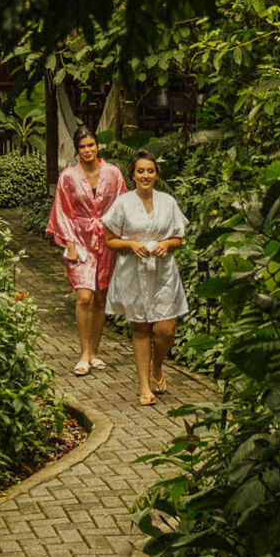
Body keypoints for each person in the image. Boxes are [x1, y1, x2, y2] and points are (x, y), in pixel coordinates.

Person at [101, 150, 189, 406]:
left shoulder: (168, 202)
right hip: (133, 272)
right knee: (139, 328)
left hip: (163, 272)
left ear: (156, 175)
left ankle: (157, 365)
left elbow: (178, 238)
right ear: (132, 175)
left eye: (150, 171)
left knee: (166, 329)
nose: (146, 175)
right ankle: (144, 387)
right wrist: (130, 244)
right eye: (140, 171)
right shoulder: (122, 203)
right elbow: (109, 240)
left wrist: (167, 245)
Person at [45, 125, 126, 376]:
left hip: (105, 239)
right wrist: (68, 243)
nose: (88, 150)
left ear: (97, 146)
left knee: (100, 298)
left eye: (91, 145)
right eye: (83, 147)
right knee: (84, 297)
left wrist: (120, 236)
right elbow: (62, 209)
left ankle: (94, 352)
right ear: (77, 150)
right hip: (79, 239)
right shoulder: (68, 176)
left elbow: (122, 205)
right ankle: (82, 354)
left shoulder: (113, 173)